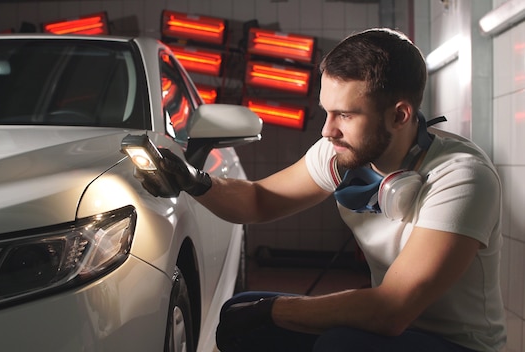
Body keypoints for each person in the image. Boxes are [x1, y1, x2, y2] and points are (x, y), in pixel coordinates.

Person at [135, 28, 506, 352]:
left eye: (345, 115)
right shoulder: (342, 152)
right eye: (326, 112)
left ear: (399, 115)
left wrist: (276, 308)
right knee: (240, 317)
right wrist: (195, 182)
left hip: (456, 344)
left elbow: (390, 311)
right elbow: (259, 200)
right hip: (388, 332)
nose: (327, 130)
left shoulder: (461, 177)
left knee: (339, 345)